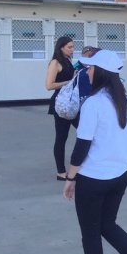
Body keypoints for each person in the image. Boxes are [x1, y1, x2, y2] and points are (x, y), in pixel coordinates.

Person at [62, 49, 127, 254]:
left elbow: (82, 148)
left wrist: (70, 179)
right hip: (119, 176)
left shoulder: (93, 104)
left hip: (93, 179)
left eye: (90, 68)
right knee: (107, 224)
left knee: (90, 231)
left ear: (99, 73)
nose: (86, 72)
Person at [45, 36, 76, 181]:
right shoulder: (55, 63)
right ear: (61, 47)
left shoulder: (69, 60)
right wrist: (68, 82)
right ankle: (61, 172)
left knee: (85, 131)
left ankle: (79, 166)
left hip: (73, 102)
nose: (72, 49)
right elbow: (49, 85)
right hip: (60, 104)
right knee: (61, 137)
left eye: (73, 47)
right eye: (69, 47)